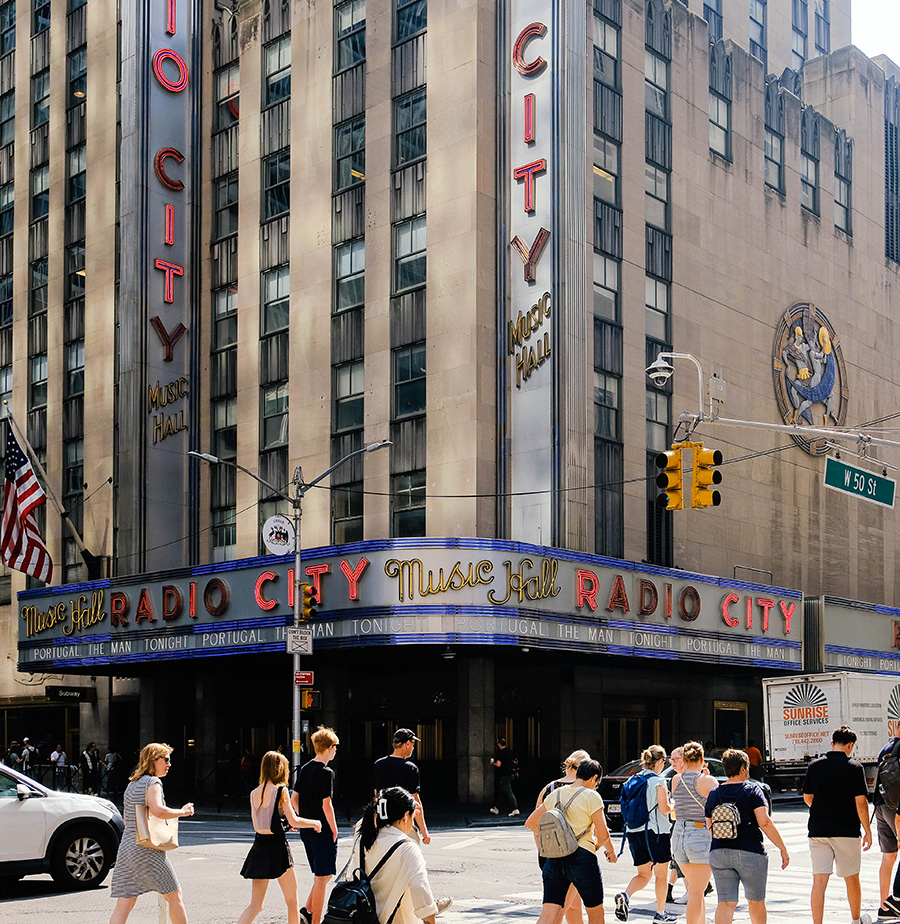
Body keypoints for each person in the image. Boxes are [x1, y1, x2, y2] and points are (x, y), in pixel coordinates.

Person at [108, 742, 195, 924]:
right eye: (166, 760)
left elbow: (127, 817)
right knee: (174, 895)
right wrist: (183, 811)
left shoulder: (133, 783)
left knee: (125, 901)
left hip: (127, 848)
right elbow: (157, 810)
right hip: (146, 848)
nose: (169, 764)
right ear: (153, 760)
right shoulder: (153, 782)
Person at [525, 758, 618, 924]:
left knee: (548, 915)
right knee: (596, 913)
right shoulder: (592, 796)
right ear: (593, 778)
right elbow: (603, 835)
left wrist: (548, 845)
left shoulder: (556, 793)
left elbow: (531, 823)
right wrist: (597, 848)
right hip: (583, 858)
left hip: (555, 858)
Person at [703, 748, 789, 924]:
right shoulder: (753, 790)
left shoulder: (714, 793)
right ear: (742, 769)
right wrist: (782, 848)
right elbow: (764, 822)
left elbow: (709, 825)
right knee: (755, 901)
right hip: (750, 852)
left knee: (725, 903)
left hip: (719, 852)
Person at [238, 750, 322, 924]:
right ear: (280, 769)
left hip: (259, 846)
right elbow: (294, 820)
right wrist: (314, 823)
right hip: (277, 847)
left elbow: (259, 824)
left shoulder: (254, 793)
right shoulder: (281, 791)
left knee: (256, 904)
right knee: (292, 901)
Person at [802, 724, 872, 924]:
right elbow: (861, 803)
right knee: (851, 878)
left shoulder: (814, 766)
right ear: (850, 745)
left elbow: (807, 797)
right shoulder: (854, 767)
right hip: (847, 830)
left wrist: (821, 808)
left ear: (832, 743)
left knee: (819, 881)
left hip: (818, 830)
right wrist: (867, 830)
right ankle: (856, 920)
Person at [614, 745, 675, 924]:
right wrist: (674, 806)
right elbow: (664, 808)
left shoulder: (633, 780)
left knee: (643, 874)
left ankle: (625, 895)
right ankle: (660, 914)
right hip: (656, 832)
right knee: (661, 875)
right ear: (660, 762)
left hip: (634, 832)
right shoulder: (658, 781)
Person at [359, 786, 439, 924]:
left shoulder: (363, 837)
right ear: (405, 817)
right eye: (413, 818)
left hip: (363, 918)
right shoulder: (408, 848)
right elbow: (421, 892)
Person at [534, 749, 592, 924]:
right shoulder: (582, 790)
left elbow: (535, 824)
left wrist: (543, 849)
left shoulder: (549, 788)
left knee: (573, 906)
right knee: (559, 910)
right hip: (573, 854)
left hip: (548, 854)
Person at [291, 726, 340, 924]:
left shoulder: (305, 768)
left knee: (324, 874)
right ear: (329, 747)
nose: (336, 750)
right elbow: (326, 805)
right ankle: (315, 920)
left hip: (307, 830)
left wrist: (304, 818)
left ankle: (307, 910)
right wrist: (335, 829)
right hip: (322, 830)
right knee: (322, 877)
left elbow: (295, 798)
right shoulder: (326, 772)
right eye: (335, 746)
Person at [670, 741, 718, 924]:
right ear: (702, 759)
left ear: (684, 759)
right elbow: (717, 809)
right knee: (696, 893)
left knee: (696, 889)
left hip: (678, 837)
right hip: (699, 836)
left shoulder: (675, 780)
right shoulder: (708, 781)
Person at [374, 728, 431, 845]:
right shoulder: (410, 768)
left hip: (383, 821)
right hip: (404, 822)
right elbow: (415, 800)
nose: (413, 748)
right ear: (407, 743)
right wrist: (424, 831)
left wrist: (374, 821)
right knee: (410, 855)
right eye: (413, 744)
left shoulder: (378, 765)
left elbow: (376, 796)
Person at [873, 730, 900, 914]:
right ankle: (896, 901)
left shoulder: (887, 747)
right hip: (896, 808)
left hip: (880, 805)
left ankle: (884, 905)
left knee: (888, 856)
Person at [490, 737, 519, 817]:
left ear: (499, 744)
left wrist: (492, 763)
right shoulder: (510, 751)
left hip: (504, 775)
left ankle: (515, 808)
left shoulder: (500, 753)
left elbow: (498, 765)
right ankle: (496, 808)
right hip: (511, 774)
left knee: (508, 792)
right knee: (501, 792)